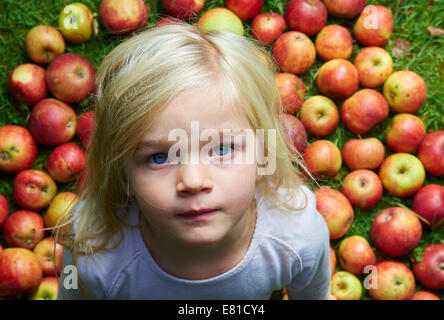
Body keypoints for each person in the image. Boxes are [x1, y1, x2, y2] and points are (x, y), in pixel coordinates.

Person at [56, 23, 331, 300]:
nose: (193, 181)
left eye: (222, 149)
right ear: (122, 175)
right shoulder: (94, 250)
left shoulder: (297, 234)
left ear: (263, 155)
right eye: (159, 157)